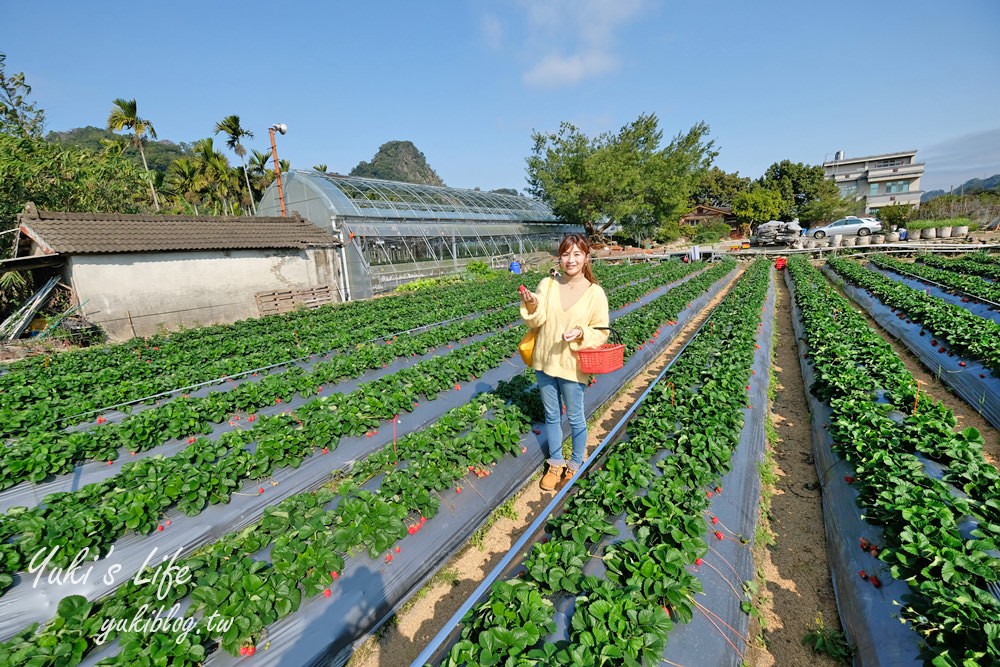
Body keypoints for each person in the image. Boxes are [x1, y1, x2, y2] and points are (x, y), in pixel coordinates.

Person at [519, 234, 610, 491]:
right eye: (566, 254)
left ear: (586, 258)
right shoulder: (547, 285)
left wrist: (582, 332)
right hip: (546, 362)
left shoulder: (595, 293)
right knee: (551, 415)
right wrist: (532, 304)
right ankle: (556, 463)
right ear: (559, 257)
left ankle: (574, 464)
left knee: (575, 416)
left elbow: (601, 331)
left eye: (576, 254)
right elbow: (535, 321)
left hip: (572, 365)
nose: (571, 259)